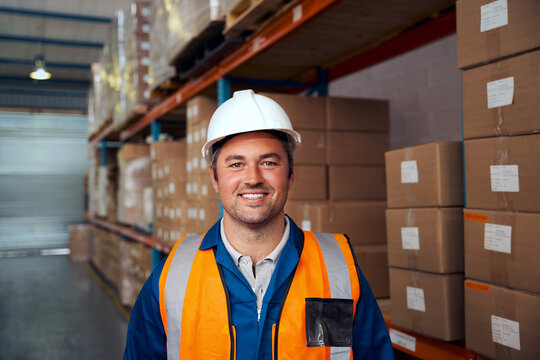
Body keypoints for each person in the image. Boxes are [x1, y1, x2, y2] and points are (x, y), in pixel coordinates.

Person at [124, 89, 394, 359]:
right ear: (215, 178)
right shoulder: (173, 276)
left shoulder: (337, 268)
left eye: (268, 162)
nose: (253, 178)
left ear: (290, 176)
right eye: (236, 164)